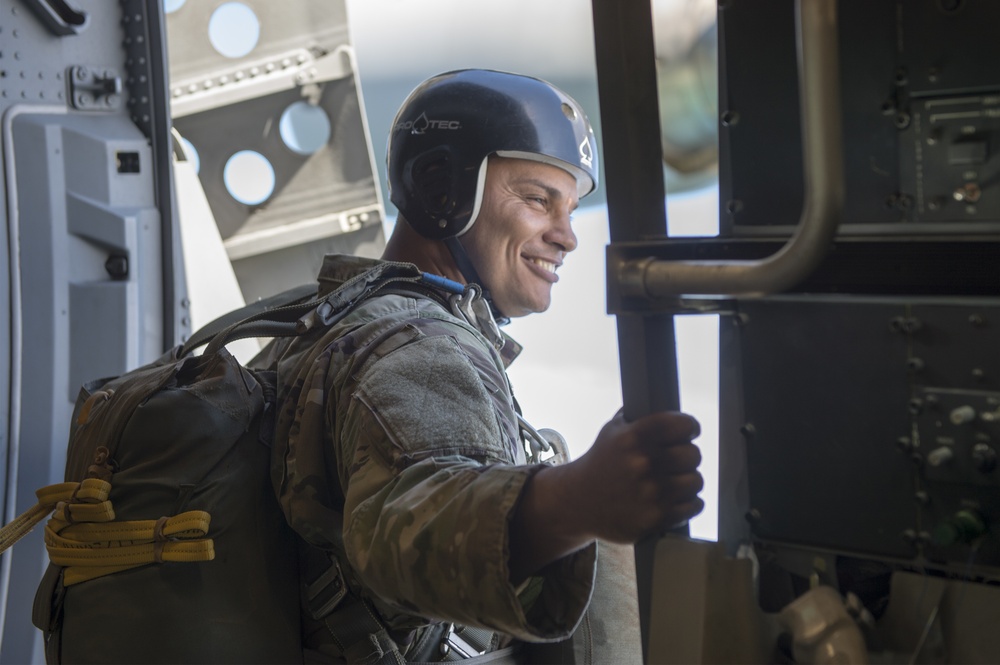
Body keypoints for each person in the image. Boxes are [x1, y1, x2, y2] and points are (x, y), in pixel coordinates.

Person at [267, 69, 704, 663]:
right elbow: (411, 527)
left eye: (571, 210)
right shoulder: (414, 343)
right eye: (537, 199)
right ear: (440, 187)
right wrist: (580, 499)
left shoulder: (331, 325)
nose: (567, 236)